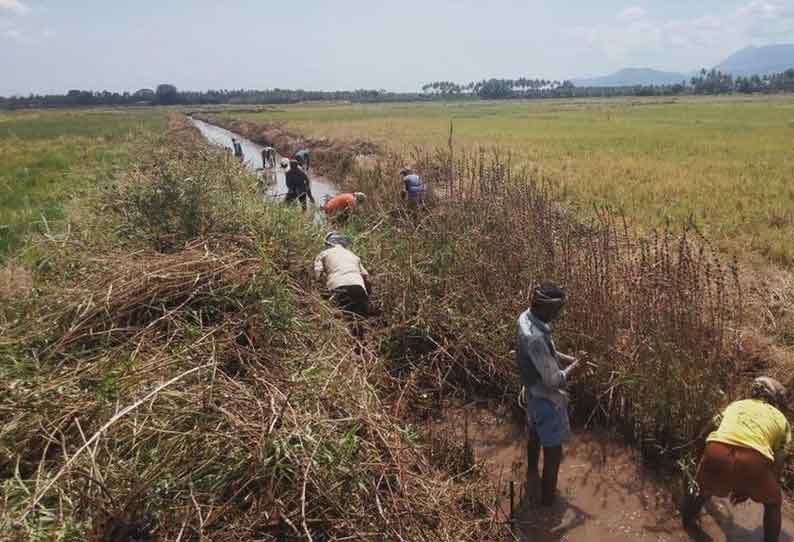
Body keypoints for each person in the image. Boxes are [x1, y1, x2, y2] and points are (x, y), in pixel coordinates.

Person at [682, 377, 791, 542]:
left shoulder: (735, 405)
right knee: (774, 502)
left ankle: (688, 523)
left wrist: (698, 465)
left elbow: (705, 432)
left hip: (717, 451)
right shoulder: (782, 420)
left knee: (703, 489)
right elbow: (778, 464)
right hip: (753, 461)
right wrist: (750, 487)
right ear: (776, 400)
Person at [516, 283, 584, 507]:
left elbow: (548, 353)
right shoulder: (535, 337)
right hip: (546, 402)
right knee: (554, 457)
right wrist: (576, 366)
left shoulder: (525, 318)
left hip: (532, 396)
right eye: (557, 310)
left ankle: (531, 474)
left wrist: (573, 360)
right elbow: (553, 381)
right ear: (547, 309)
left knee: (534, 437)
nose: (559, 314)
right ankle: (547, 507)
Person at [314, 232, 371, 330]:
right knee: (361, 322)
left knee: (341, 321)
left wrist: (319, 289)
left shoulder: (324, 253)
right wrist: (367, 294)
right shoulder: (353, 255)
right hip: (359, 287)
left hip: (338, 287)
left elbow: (318, 273)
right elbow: (366, 276)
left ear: (329, 243)